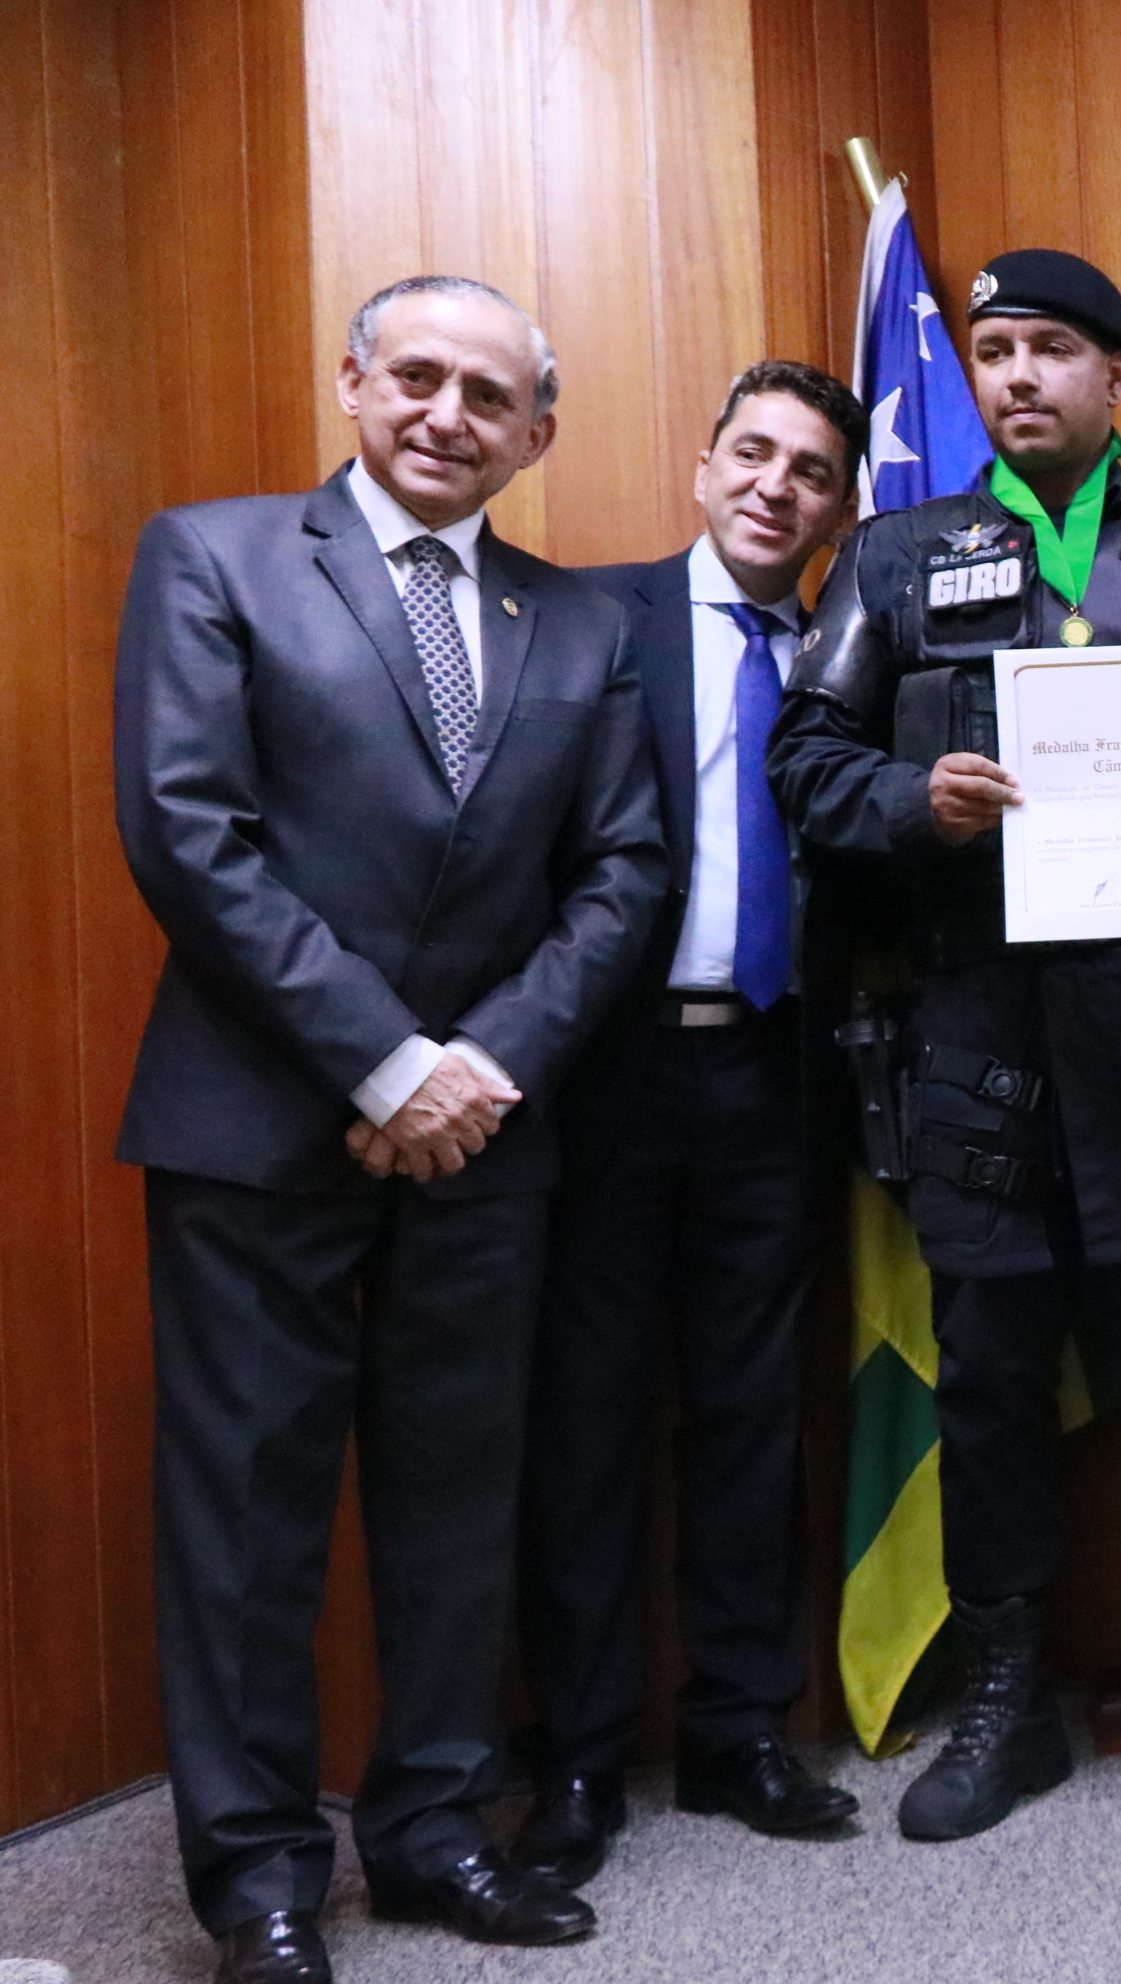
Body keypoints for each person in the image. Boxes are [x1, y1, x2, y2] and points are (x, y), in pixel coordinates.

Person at [112, 275, 667, 1984]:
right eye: (417, 375)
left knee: (455, 1504)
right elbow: (188, 831)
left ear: (536, 435)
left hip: (486, 1135)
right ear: (352, 381)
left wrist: (478, 1064)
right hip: (257, 1123)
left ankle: (432, 1831)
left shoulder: (581, 623)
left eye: (489, 396)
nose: (447, 413)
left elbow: (623, 871)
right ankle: (260, 1877)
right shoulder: (213, 558)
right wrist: (383, 1062)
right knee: (247, 1515)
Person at [767, 248, 1121, 1839]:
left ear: (1115, 376)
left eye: (1054, 349)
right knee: (991, 1381)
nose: (1018, 375)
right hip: (978, 1039)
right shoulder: (896, 554)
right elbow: (805, 755)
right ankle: (1006, 1696)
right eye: (995, 349)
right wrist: (910, 802)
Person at [508, 361, 872, 1890]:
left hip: (778, 1077)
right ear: (703, 467)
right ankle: (581, 1755)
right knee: (588, 1421)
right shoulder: (594, 621)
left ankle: (738, 1728)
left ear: (840, 510)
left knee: (750, 1413)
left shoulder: (853, 651)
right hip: (610, 1074)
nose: (777, 486)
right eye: (754, 455)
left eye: (811, 471)